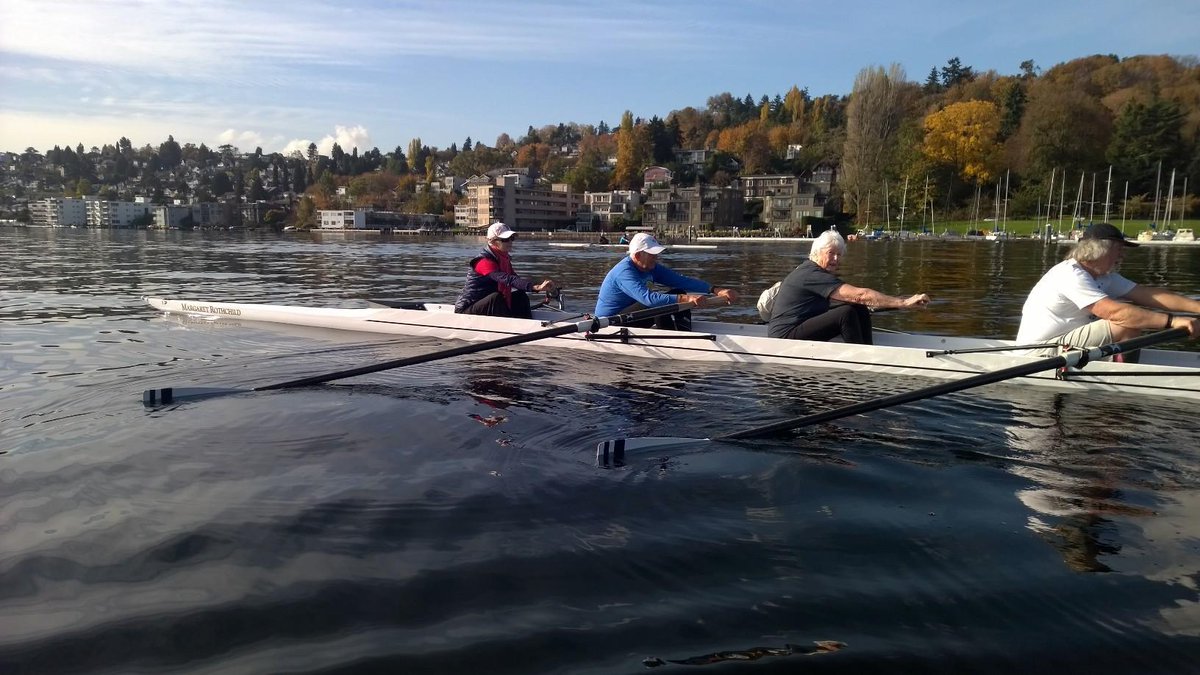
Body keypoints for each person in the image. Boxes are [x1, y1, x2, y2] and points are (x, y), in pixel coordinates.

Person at [1016, 222, 1200, 355]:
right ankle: (1125, 374)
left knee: (1133, 313)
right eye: (1119, 249)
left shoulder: (1104, 276)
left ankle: (1120, 363)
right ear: (1100, 250)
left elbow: (1149, 295)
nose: (1122, 256)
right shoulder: (1070, 275)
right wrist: (1173, 321)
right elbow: (1114, 312)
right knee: (1126, 322)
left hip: (1066, 344)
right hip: (1039, 350)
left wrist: (1197, 308)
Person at [767, 230, 930, 343]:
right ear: (817, 252)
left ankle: (868, 351)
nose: (836, 259)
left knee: (857, 307)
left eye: (839, 254)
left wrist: (903, 300)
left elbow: (859, 300)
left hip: (799, 327)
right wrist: (903, 303)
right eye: (831, 253)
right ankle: (861, 360)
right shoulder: (811, 274)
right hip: (783, 337)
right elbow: (860, 295)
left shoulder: (814, 271)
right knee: (846, 313)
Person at [594, 232, 738, 329]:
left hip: (633, 316)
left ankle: (683, 331)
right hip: (610, 323)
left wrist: (716, 290)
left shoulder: (651, 267)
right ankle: (671, 336)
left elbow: (682, 281)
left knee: (678, 291)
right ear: (637, 256)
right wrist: (687, 298)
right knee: (657, 303)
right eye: (652, 254)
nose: (656, 257)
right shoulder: (624, 272)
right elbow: (649, 299)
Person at [454, 222, 557, 319]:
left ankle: (527, 324)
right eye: (505, 239)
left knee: (521, 295)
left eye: (511, 238)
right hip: (467, 309)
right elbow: (507, 279)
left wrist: (538, 286)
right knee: (496, 298)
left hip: (488, 306)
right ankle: (511, 326)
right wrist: (536, 287)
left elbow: (515, 279)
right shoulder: (483, 261)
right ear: (493, 241)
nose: (510, 242)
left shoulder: (504, 258)